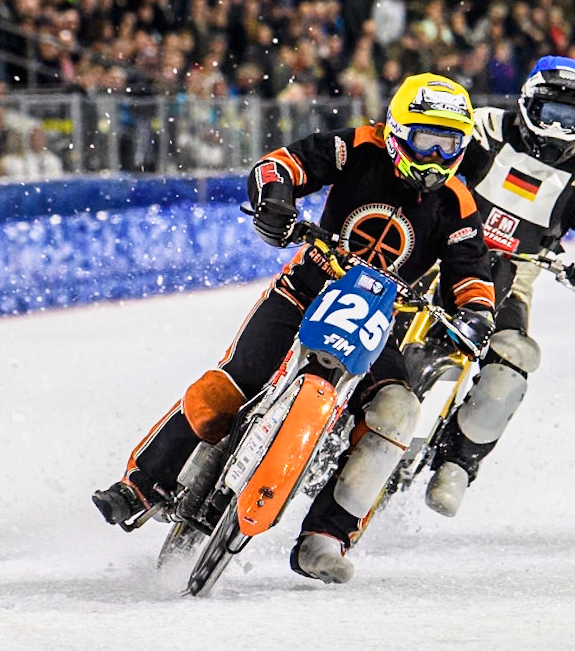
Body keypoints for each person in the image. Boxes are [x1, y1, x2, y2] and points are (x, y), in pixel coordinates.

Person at [93, 74, 496, 584]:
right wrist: (276, 201)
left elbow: (472, 272)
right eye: (427, 140)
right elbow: (282, 165)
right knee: (232, 384)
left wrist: (476, 314)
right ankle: (142, 484)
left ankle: (325, 538)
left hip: (376, 323)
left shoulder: (458, 202)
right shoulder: (358, 146)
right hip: (304, 290)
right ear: (396, 130)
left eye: (451, 143)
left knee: (399, 412)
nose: (437, 156)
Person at [424, 56, 575, 517]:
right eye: (548, 111)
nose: (556, 126)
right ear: (526, 103)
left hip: (515, 274)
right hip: (436, 251)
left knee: (512, 361)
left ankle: (456, 466)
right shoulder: (483, 128)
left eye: (568, 117)